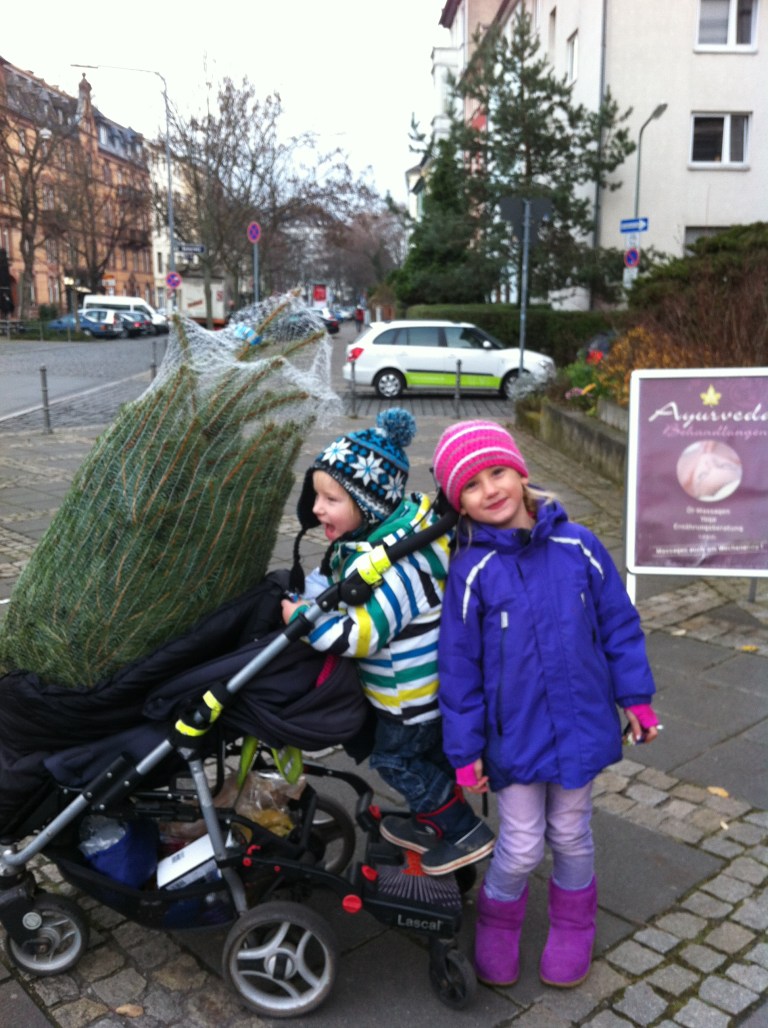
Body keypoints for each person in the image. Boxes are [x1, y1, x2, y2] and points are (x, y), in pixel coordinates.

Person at [432, 420, 659, 987]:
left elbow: (619, 626)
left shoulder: (579, 546)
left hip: (580, 726)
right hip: (515, 738)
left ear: (520, 470)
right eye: (473, 485)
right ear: (458, 503)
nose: (491, 489)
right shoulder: (471, 570)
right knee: (522, 843)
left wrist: (637, 698)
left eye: (498, 472)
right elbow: (459, 668)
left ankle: (574, 925)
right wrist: (466, 749)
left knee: (572, 833)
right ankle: (498, 921)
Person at [283, 409, 494, 875]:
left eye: (330, 498)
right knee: (427, 759)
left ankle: (460, 828)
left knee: (395, 760)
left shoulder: (400, 567)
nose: (317, 509)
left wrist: (305, 621)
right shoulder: (377, 544)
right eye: (315, 495)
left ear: (369, 504)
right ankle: (434, 817)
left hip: (409, 699)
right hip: (413, 693)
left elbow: (362, 634)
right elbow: (334, 579)